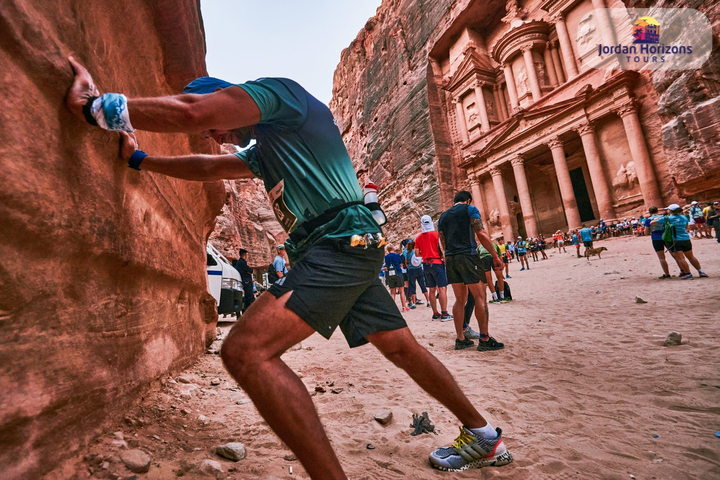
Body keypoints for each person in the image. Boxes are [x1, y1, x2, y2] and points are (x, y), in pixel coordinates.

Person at [66, 63, 513, 476]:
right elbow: (208, 166)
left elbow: (190, 110)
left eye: (214, 125)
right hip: (347, 248)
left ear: (229, 98)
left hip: (339, 244)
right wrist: (142, 161)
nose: (217, 136)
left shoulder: (283, 97)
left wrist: (96, 108)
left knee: (245, 351)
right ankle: (483, 436)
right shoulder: (268, 151)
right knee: (402, 348)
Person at [438, 191, 504, 351]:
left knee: (460, 300)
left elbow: (442, 240)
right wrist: (495, 255)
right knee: (480, 296)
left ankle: (461, 339)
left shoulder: (443, 217)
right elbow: (480, 232)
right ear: (467, 200)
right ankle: (485, 339)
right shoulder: (470, 209)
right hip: (468, 256)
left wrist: (449, 257)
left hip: (451, 259)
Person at [651, 204, 708, 280]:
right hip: (685, 238)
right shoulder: (684, 217)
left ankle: (688, 274)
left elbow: (652, 222)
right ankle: (701, 271)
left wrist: (659, 217)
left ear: (670, 211)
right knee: (691, 256)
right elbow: (686, 227)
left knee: (680, 258)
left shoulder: (667, 218)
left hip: (675, 240)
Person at [415, 215, 453, 321]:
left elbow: (417, 254)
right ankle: (444, 313)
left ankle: (435, 313)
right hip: (437, 263)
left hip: (425, 264)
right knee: (442, 288)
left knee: (431, 289)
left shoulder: (419, 238)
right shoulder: (436, 235)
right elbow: (443, 249)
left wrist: (426, 253)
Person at [644, 207, 671, 279]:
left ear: (649, 212)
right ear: (657, 211)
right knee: (675, 255)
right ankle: (683, 271)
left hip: (656, 238)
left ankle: (667, 274)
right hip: (666, 237)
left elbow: (646, 232)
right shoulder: (664, 217)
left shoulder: (648, 220)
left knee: (662, 258)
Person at [404, 240, 431, 308]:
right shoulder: (417, 252)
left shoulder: (408, 253)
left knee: (412, 286)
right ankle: (428, 301)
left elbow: (406, 263)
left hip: (411, 271)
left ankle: (413, 303)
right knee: (422, 285)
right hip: (419, 270)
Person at [384, 245, 410, 312]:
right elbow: (400, 264)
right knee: (401, 291)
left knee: (393, 292)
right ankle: (404, 307)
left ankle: (392, 309)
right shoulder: (397, 255)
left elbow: (386, 265)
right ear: (393, 249)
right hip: (398, 273)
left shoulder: (386, 257)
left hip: (390, 274)